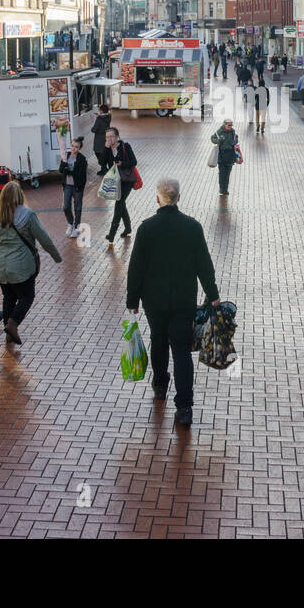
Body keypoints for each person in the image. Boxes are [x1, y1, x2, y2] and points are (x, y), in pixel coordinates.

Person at [125, 177, 220, 427]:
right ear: (179, 198)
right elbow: (204, 265)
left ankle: (159, 384)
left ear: (158, 198)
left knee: (158, 340)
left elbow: (136, 267)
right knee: (181, 349)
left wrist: (132, 298)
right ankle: (184, 407)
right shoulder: (192, 227)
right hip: (183, 299)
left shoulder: (147, 228)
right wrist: (213, 294)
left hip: (154, 301)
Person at [0, 180, 63, 345]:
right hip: (21, 266)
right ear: (19, 196)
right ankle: (13, 323)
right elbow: (44, 239)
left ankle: (8, 333)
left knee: (8, 297)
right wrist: (56, 257)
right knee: (27, 296)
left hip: (0, 267)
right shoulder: (27, 215)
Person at [104, 126, 138, 244]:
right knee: (121, 203)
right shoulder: (107, 149)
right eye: (107, 137)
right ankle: (128, 228)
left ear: (117, 136)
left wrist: (121, 164)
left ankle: (112, 234)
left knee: (119, 203)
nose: (110, 139)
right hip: (115, 180)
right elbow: (102, 163)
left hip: (127, 180)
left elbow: (134, 162)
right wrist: (106, 149)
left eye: (112, 136)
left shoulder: (125, 146)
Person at [59, 136, 88, 237]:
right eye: (72, 146)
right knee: (66, 206)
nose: (73, 148)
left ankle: (77, 227)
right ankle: (70, 223)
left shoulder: (82, 159)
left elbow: (81, 175)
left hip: (77, 187)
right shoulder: (65, 156)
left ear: (79, 148)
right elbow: (61, 170)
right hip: (67, 185)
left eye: (76, 147)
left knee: (78, 208)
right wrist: (64, 166)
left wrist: (70, 171)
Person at [211, 118, 239, 195]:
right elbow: (212, 138)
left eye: (231, 125)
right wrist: (217, 141)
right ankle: (222, 188)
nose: (230, 127)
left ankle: (225, 189)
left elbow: (235, 139)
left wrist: (236, 140)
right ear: (224, 124)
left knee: (228, 173)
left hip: (230, 155)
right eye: (228, 125)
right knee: (222, 173)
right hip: (222, 155)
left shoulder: (232, 131)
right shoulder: (220, 131)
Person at [91, 103, 112, 175]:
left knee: (98, 153)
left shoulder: (99, 119)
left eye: (100, 110)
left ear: (102, 111)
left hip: (99, 139)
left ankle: (103, 168)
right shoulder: (108, 117)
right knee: (105, 153)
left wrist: (92, 128)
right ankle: (104, 168)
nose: (99, 111)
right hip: (106, 137)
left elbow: (94, 129)